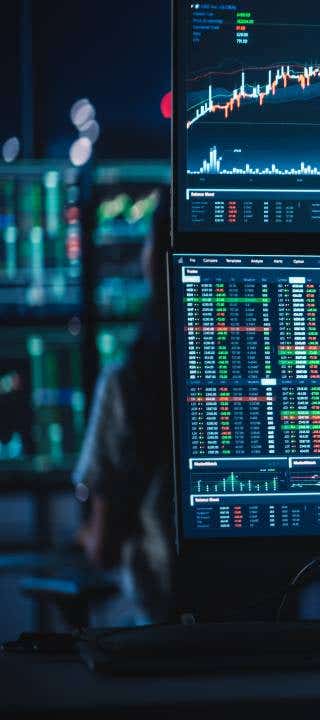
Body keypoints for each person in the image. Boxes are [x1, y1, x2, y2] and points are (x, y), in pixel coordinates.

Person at [75, 196, 176, 623]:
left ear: (154, 259)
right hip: (272, 635)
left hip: (162, 630)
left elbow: (104, 548)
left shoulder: (126, 384)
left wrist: (80, 536)